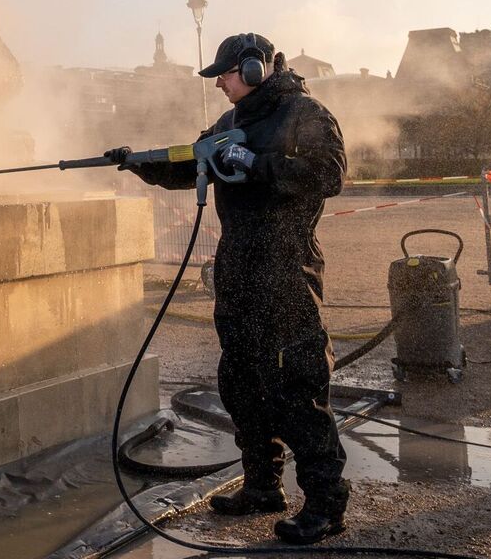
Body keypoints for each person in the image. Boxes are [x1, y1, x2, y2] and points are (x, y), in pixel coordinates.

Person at [115, 33, 350, 544]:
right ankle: (263, 487)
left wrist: (258, 166)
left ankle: (326, 504)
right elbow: (189, 161)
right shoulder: (230, 122)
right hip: (238, 267)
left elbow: (329, 175)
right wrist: (138, 162)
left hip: (286, 267)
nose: (219, 83)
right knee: (241, 381)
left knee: (297, 384)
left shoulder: (304, 113)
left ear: (253, 68)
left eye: (224, 73)